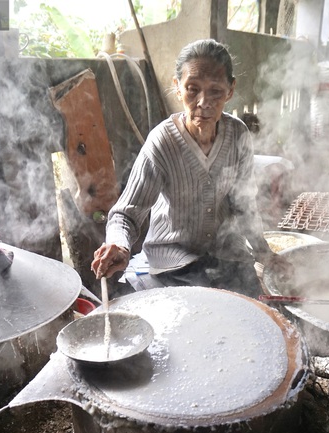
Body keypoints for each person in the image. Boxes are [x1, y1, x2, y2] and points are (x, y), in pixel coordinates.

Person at [91, 38, 291, 298]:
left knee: (254, 312)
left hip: (227, 256)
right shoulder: (163, 141)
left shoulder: (238, 135)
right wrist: (118, 244)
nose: (203, 102)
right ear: (177, 88)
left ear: (230, 90)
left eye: (215, 91)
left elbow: (244, 206)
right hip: (174, 259)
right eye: (192, 89)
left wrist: (264, 253)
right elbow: (126, 213)